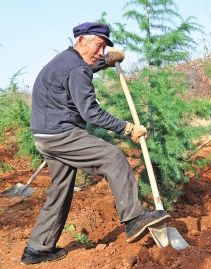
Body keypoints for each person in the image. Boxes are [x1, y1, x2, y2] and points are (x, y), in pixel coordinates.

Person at [20, 22, 171, 265]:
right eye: (98, 46)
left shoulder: (67, 61)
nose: (100, 52)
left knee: (60, 191)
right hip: (61, 134)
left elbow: (83, 67)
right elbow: (90, 112)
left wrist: (105, 62)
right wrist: (127, 128)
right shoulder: (76, 69)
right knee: (112, 157)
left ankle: (36, 249)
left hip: (45, 135)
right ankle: (133, 219)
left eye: (104, 49)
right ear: (81, 40)